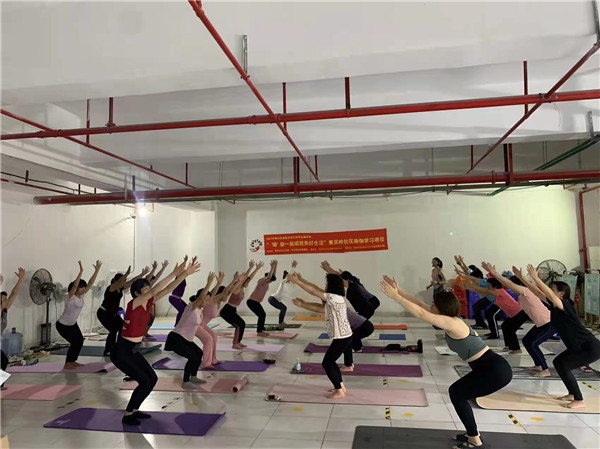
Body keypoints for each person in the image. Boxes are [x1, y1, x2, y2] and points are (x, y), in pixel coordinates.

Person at [380, 276, 512, 449]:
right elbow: (420, 305)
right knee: (458, 393)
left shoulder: (452, 323)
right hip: (487, 368)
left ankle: (475, 440)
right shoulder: (449, 319)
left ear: (442, 308)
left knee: (457, 394)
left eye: (433, 305)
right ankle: (472, 434)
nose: (430, 306)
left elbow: (421, 313)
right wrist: (400, 291)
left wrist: (395, 297)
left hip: (494, 370)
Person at [111, 257, 200, 425]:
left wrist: (183, 275)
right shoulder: (134, 303)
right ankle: (128, 415)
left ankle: (135, 409)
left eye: (148, 287)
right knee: (144, 381)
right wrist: (174, 273)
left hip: (132, 350)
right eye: (145, 289)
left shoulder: (148, 301)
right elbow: (155, 290)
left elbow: (168, 289)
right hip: (121, 352)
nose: (149, 290)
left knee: (152, 378)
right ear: (137, 293)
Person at [527, 264, 600, 409]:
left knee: (565, 366)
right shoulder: (554, 307)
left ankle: (579, 400)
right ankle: (572, 394)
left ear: (561, 294)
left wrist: (537, 278)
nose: (550, 292)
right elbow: (537, 292)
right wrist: (523, 278)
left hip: (589, 347)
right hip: (577, 346)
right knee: (559, 362)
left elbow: (549, 295)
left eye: (553, 290)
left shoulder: (565, 305)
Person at [288, 272, 352, 399]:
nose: (325, 286)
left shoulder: (333, 297)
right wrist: (303, 304)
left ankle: (339, 391)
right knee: (331, 362)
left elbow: (313, 291)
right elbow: (319, 308)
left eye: (327, 283)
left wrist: (298, 282)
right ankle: (340, 387)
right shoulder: (335, 299)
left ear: (332, 285)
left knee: (327, 363)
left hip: (342, 338)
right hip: (344, 336)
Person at [293, 295, 374, 372]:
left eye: (323, 301)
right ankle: (351, 361)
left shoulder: (334, 308)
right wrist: (304, 303)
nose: (322, 304)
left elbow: (317, 309)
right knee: (348, 342)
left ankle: (349, 365)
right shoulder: (337, 305)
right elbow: (318, 306)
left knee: (347, 343)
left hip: (364, 327)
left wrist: (302, 305)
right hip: (365, 326)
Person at [165, 272, 214, 389]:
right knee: (192, 357)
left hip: (186, 339)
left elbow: (210, 297)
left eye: (208, 300)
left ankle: (193, 377)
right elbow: (201, 297)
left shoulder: (200, 309)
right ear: (200, 298)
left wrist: (218, 284)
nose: (207, 302)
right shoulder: (192, 306)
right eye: (206, 299)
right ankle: (185, 381)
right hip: (177, 338)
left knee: (199, 353)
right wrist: (209, 283)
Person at [504, 266, 555, 377]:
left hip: (549, 323)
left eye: (511, 286)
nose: (510, 289)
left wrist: (494, 273)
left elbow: (512, 285)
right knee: (527, 341)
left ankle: (545, 370)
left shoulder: (525, 291)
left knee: (533, 344)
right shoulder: (521, 296)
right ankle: (538, 365)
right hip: (540, 323)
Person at [56, 260, 102, 369]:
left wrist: (97, 270)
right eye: (81, 287)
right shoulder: (71, 297)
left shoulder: (81, 296)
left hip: (72, 324)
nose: (84, 289)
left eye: (83, 287)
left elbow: (90, 283)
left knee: (80, 341)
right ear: (76, 288)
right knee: (75, 342)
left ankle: (72, 361)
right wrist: (81, 271)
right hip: (63, 325)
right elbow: (75, 285)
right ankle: (68, 363)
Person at [97, 265, 149, 356]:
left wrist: (142, 274)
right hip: (103, 313)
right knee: (113, 330)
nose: (124, 282)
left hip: (113, 314)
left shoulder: (121, 287)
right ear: (117, 281)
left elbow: (132, 281)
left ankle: (119, 347)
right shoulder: (112, 287)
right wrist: (126, 274)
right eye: (123, 280)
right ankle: (108, 350)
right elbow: (119, 282)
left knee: (122, 327)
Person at [478, 263, 531, 354]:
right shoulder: (497, 291)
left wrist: (492, 272)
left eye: (489, 286)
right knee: (505, 326)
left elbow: (485, 289)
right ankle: (508, 346)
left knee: (510, 329)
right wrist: (491, 272)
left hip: (520, 314)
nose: (488, 288)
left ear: (495, 287)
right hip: (515, 314)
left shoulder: (499, 291)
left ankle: (516, 349)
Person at [196, 272, 240, 369]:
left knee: (214, 336)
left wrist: (237, 282)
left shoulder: (218, 302)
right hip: (196, 325)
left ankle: (213, 360)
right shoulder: (212, 300)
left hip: (203, 325)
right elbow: (225, 291)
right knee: (208, 339)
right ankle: (206, 363)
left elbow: (229, 291)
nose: (227, 297)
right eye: (225, 294)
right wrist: (231, 281)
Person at [220, 261, 263, 349]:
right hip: (227, 311)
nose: (247, 283)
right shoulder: (237, 288)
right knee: (240, 324)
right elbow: (232, 290)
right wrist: (239, 280)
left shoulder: (242, 287)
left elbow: (249, 278)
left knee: (241, 324)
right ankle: (235, 343)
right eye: (245, 281)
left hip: (232, 310)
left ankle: (238, 342)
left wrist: (255, 268)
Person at [1, 268, 26, 389]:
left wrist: (21, 280)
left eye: (5, 300)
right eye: (2, 300)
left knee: (4, 361)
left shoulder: (4, 310)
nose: (4, 302)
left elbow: (14, 293)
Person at [454, 256, 489, 329]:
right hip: (485, 297)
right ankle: (480, 323)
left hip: (489, 298)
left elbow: (467, 272)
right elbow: (466, 270)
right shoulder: (475, 277)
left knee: (477, 307)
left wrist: (460, 266)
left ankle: (482, 324)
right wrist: (460, 263)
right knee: (476, 307)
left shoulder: (482, 282)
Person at [247, 260, 278, 337]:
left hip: (255, 302)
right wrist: (272, 267)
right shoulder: (262, 281)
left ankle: (260, 329)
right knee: (262, 315)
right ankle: (259, 331)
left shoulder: (266, 282)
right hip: (252, 301)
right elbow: (269, 277)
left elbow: (272, 275)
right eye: (271, 281)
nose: (271, 282)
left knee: (262, 315)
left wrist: (275, 266)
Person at [267, 260, 298, 327]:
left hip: (275, 299)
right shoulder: (283, 282)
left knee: (284, 308)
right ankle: (281, 323)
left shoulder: (286, 284)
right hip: (273, 299)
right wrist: (293, 266)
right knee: (283, 308)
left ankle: (281, 322)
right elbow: (289, 274)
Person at [144, 260, 169, 338]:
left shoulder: (150, 286)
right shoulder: (144, 284)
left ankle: (145, 332)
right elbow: (149, 278)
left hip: (147, 304)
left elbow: (157, 277)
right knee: (146, 318)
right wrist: (154, 269)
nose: (153, 281)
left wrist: (163, 268)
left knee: (151, 317)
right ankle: (142, 332)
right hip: (142, 304)